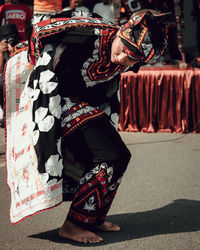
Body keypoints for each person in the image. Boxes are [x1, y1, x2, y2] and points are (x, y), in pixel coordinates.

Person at [4, 8, 170, 243]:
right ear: (121, 33)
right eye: (123, 50)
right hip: (58, 99)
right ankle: (73, 225)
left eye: (133, 58)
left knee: (121, 156)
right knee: (108, 155)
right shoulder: (89, 31)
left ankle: (93, 216)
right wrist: (39, 68)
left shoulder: (130, 55)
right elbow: (41, 28)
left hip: (83, 103)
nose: (123, 59)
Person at [0, 23, 20, 127]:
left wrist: (15, 53)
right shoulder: (0, 48)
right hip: (5, 80)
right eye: (6, 38)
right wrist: (1, 54)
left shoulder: (21, 45)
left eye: (11, 37)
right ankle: (5, 114)